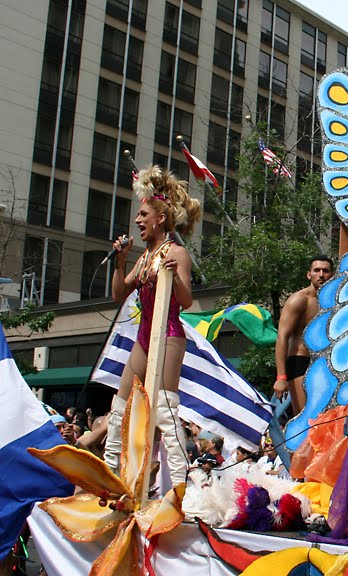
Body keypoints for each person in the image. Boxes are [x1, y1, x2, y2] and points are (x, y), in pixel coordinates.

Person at [107, 164, 201, 487]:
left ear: (160, 219)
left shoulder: (176, 252)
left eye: (143, 215)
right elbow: (119, 293)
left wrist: (174, 276)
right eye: (138, 215)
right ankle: (111, 477)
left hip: (169, 335)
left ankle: (180, 486)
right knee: (120, 408)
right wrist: (120, 263)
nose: (137, 220)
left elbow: (186, 301)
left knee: (164, 409)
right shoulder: (144, 257)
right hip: (144, 337)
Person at [273, 256, 335, 414]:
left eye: (325, 271)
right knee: (305, 416)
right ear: (309, 274)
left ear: (332, 274)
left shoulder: (336, 301)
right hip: (300, 362)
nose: (321, 275)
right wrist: (281, 377)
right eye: (317, 270)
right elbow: (282, 337)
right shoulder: (299, 300)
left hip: (326, 363)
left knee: (327, 417)